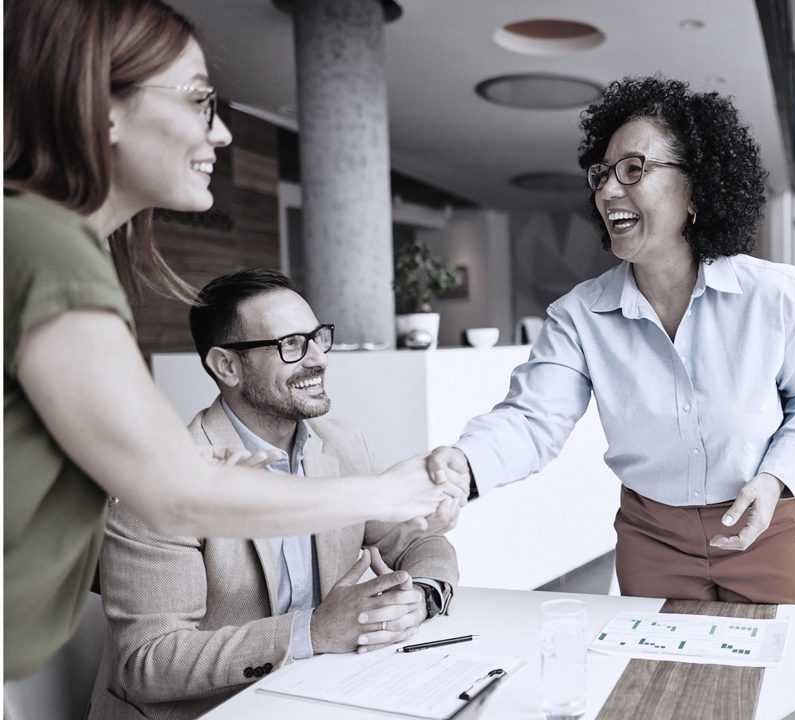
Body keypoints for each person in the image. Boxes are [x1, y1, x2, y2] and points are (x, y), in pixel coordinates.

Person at [3, 0, 461, 679]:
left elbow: (160, 476)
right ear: (103, 106)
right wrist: (391, 492)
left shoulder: (57, 246)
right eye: (199, 101)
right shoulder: (42, 244)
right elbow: (173, 494)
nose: (220, 135)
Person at [427, 76, 795, 604]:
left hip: (767, 522)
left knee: (773, 677)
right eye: (601, 174)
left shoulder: (773, 296)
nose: (606, 190)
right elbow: (532, 418)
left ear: (696, 189)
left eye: (633, 169)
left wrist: (776, 476)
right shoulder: (581, 316)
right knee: (655, 682)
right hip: (653, 539)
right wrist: (464, 466)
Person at [88, 269, 461, 720]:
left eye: (318, 337)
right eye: (290, 345)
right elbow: (148, 663)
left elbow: (420, 541)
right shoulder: (162, 478)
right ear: (226, 366)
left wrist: (420, 595)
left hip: (317, 696)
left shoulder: (343, 444)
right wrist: (313, 631)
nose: (319, 359)